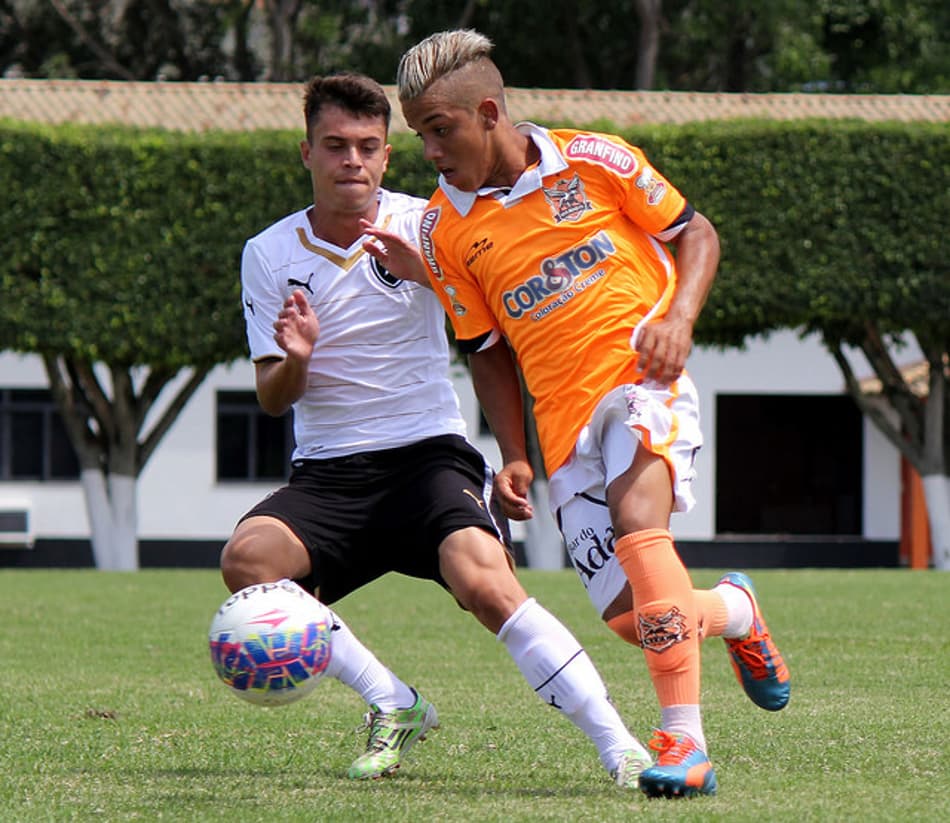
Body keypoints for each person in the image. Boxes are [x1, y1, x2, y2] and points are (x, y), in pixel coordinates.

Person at [383, 30, 791, 798]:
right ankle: (734, 609)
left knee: (643, 530)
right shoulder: (443, 232)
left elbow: (694, 232)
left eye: (440, 129)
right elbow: (486, 349)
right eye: (420, 135)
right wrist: (512, 453)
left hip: (641, 381)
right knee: (634, 617)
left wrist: (682, 319)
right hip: (563, 426)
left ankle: (685, 743)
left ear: (489, 111)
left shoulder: (596, 159)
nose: (430, 150)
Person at [220, 72, 656, 788]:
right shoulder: (268, 253)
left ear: (388, 156)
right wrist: (296, 358)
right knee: (248, 564)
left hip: (431, 458)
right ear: (306, 153)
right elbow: (273, 397)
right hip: (331, 472)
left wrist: (428, 274)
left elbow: (496, 327)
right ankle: (393, 702)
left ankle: (620, 745)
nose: (351, 161)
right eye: (335, 146)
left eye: (367, 146)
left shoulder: (431, 222)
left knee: (486, 583)